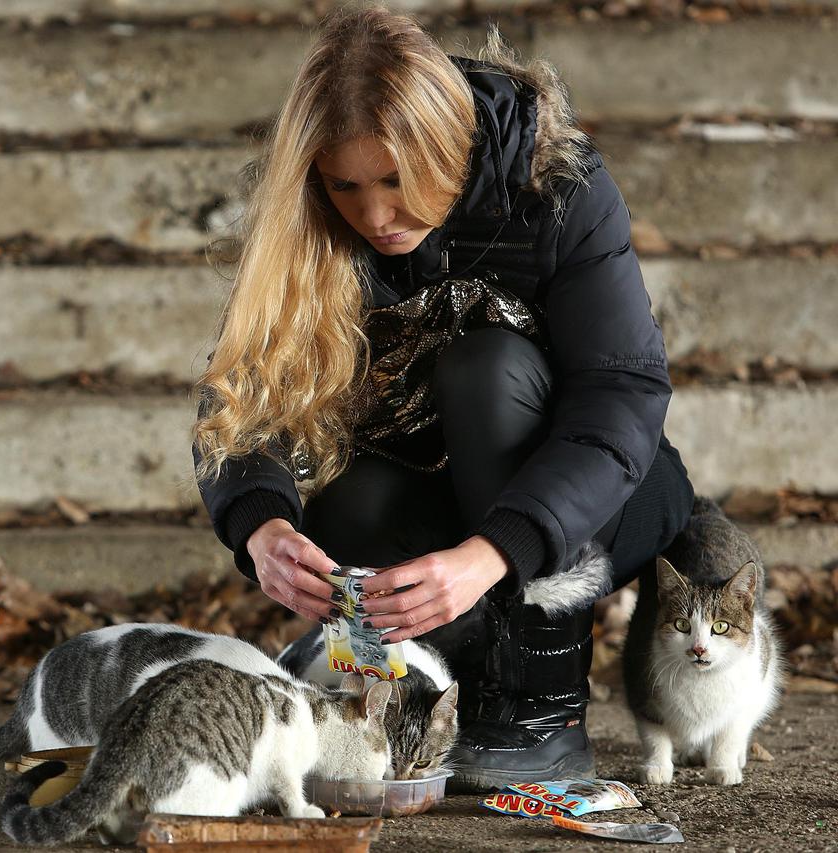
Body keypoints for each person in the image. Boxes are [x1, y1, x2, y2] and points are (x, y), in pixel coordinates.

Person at [191, 7, 695, 791]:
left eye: (396, 178)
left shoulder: (557, 184)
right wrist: (261, 525)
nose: (375, 215)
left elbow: (621, 394)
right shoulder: (308, 223)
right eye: (345, 185)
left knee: (485, 365)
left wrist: (493, 551)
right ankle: (443, 701)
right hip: (426, 485)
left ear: (447, 144)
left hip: (593, 502)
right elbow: (242, 397)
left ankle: (541, 711)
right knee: (344, 507)